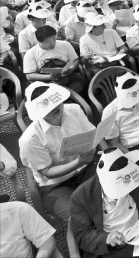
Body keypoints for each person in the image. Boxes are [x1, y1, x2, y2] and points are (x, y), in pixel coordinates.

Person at [70, 147, 139, 258]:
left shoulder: (135, 173)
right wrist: (107, 238)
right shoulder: (81, 196)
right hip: (113, 249)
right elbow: (82, 236)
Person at [19, 82, 97, 222]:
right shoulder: (30, 139)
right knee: (80, 218)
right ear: (38, 111)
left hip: (86, 170)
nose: (55, 107)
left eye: (55, 101)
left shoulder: (73, 110)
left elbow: (91, 134)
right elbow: (47, 172)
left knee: (111, 195)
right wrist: (78, 162)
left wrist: (92, 147)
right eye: (46, 106)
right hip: (55, 186)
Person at [22, 24, 85, 94]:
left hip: (66, 77)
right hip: (46, 81)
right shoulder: (31, 53)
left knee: (80, 82)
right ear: (39, 41)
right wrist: (49, 77)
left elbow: (75, 60)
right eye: (47, 42)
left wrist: (72, 68)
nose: (52, 44)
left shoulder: (65, 44)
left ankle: (67, 97)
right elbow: (29, 76)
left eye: (54, 39)